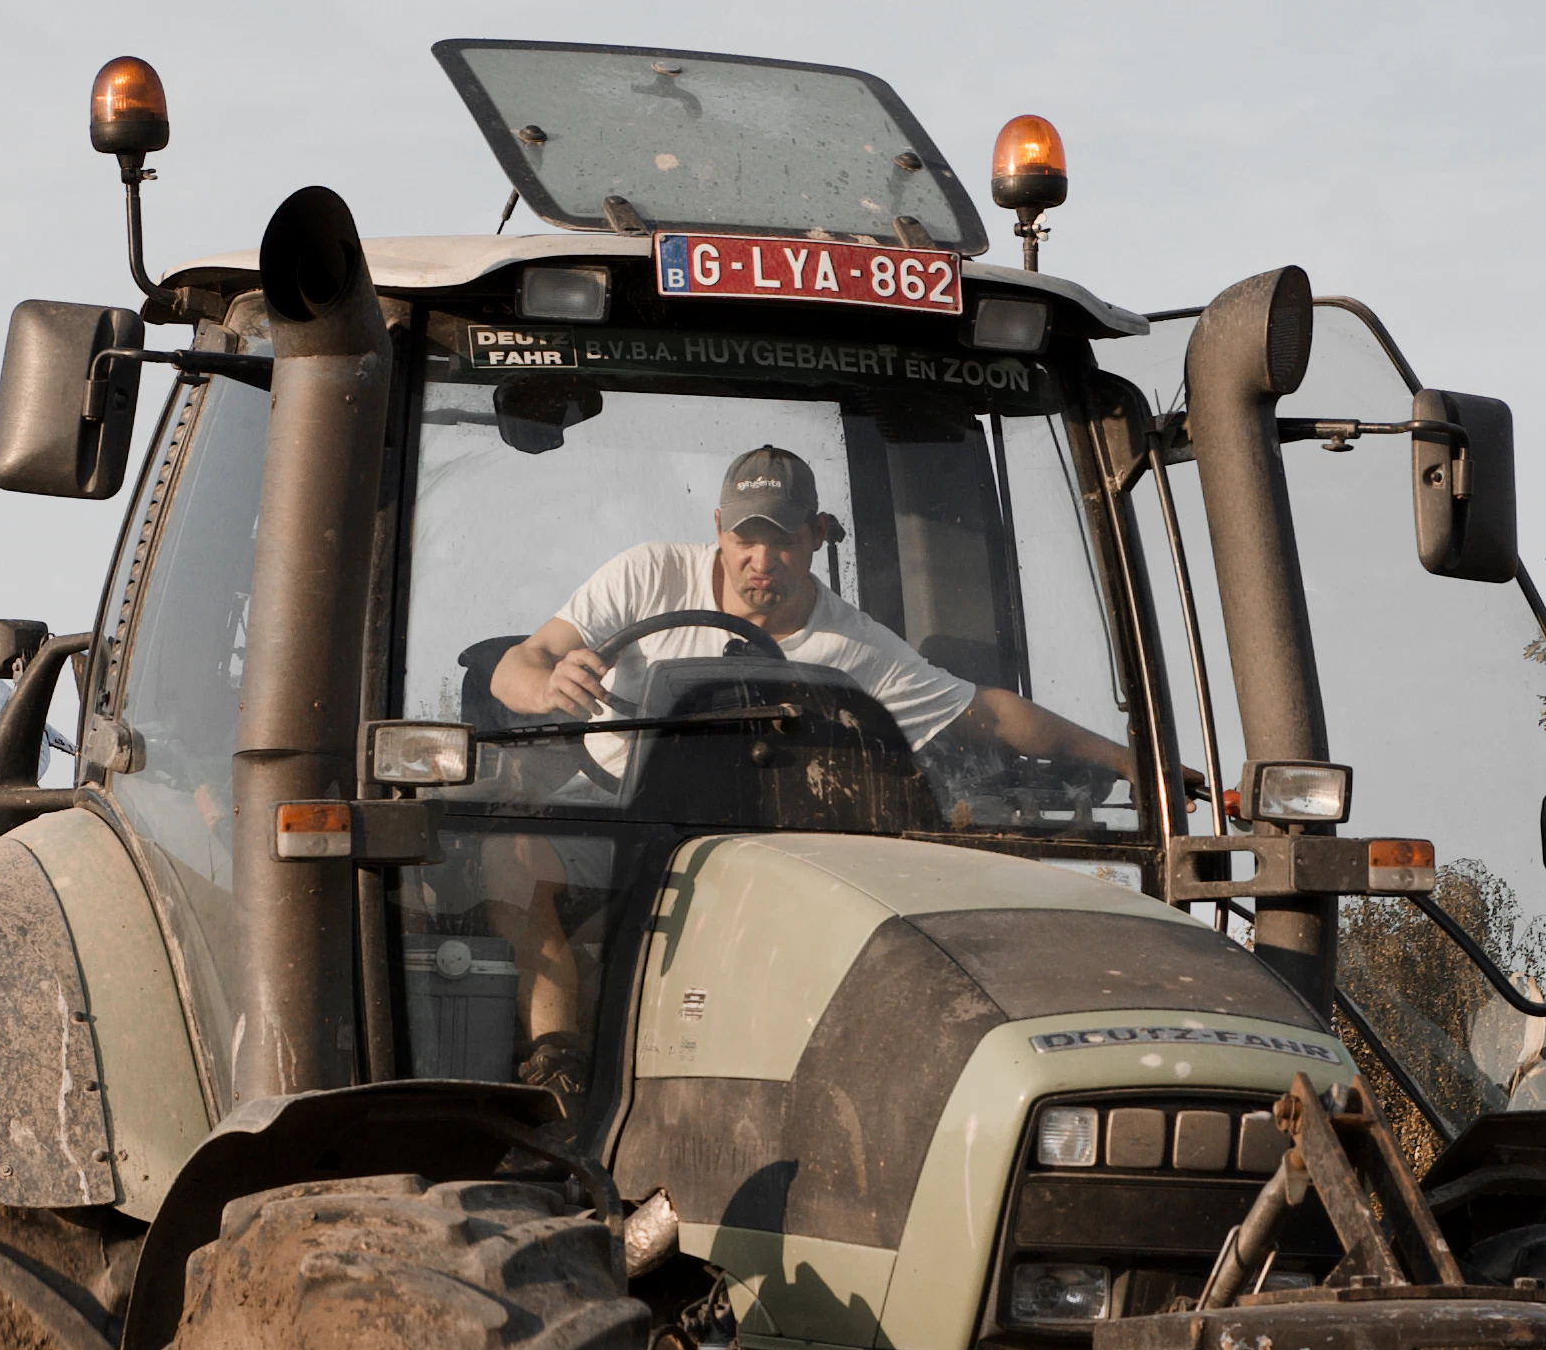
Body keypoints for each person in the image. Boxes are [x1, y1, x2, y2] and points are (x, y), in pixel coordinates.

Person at [479, 443, 1134, 1103]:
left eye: (783, 541)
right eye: (745, 539)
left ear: (817, 535)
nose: (760, 562)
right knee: (509, 853)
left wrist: (1133, 762)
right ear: (717, 530)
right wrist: (547, 686)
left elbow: (988, 716)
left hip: (753, 847)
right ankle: (554, 1064)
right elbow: (521, 662)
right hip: (618, 817)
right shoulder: (646, 575)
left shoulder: (857, 647)